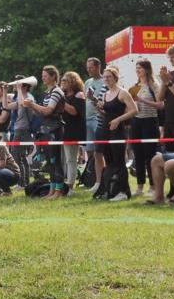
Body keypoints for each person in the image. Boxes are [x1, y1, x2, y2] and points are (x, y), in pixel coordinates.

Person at [93, 66, 138, 201]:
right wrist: (98, 107)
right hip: (106, 130)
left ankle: (123, 192)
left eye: (109, 77)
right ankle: (110, 189)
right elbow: (106, 113)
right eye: (105, 77)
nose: (106, 79)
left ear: (115, 78)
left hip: (118, 131)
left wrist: (118, 120)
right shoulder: (106, 94)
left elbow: (134, 110)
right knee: (109, 161)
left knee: (119, 162)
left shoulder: (123, 92)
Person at [22, 66, 66, 199]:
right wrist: (32, 107)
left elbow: (48, 111)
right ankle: (52, 191)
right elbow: (41, 112)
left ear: (53, 77)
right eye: (42, 75)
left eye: (45, 75)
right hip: (46, 129)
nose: (43, 78)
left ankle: (59, 191)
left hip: (55, 129)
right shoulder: (47, 92)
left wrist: (32, 105)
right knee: (50, 162)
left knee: (55, 161)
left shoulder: (57, 91)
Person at [129, 60, 163, 196]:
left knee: (150, 156)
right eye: (136, 68)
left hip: (150, 122)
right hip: (136, 122)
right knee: (138, 155)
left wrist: (142, 100)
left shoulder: (154, 85)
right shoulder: (135, 86)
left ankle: (153, 187)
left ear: (147, 69)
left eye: (140, 68)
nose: (138, 70)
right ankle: (139, 187)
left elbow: (160, 105)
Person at [2, 76, 36, 187]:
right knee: (21, 156)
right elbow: (5, 106)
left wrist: (19, 88)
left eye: (19, 85)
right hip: (18, 129)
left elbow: (22, 103)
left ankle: (22, 182)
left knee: (17, 156)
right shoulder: (20, 97)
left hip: (23, 130)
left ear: (24, 86)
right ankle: (24, 182)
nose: (16, 87)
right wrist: (4, 91)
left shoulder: (29, 97)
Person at [59, 71, 86, 195]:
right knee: (65, 159)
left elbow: (75, 112)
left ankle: (70, 186)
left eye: (65, 80)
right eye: (62, 80)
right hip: (63, 129)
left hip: (73, 130)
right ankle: (64, 183)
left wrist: (62, 102)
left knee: (71, 159)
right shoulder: (63, 95)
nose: (62, 82)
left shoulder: (79, 94)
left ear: (73, 81)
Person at [84, 57, 106, 194]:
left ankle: (101, 180)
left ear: (98, 67)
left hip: (98, 119)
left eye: (91, 67)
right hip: (87, 119)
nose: (88, 70)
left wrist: (93, 99)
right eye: (87, 67)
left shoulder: (105, 81)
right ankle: (92, 178)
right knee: (89, 151)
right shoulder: (87, 82)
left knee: (100, 152)